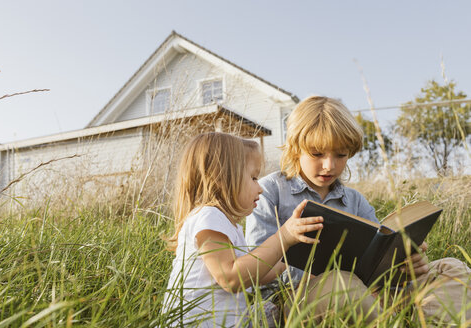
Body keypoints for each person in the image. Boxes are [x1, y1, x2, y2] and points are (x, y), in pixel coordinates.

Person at [246, 95, 471, 325]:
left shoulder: (354, 200)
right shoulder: (268, 191)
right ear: (295, 148)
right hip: (298, 301)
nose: (329, 165)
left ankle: (428, 321)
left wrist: (405, 265)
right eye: (317, 154)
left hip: (368, 295)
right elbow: (255, 275)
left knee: (451, 268)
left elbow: (377, 263)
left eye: (340, 155)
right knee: (340, 282)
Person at [161, 132, 324, 327]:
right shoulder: (208, 217)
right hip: (196, 324)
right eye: (254, 178)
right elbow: (231, 278)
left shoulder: (228, 224)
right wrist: (283, 237)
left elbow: (255, 274)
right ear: (222, 179)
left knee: (273, 311)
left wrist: (289, 267)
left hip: (227, 322)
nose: (260, 188)